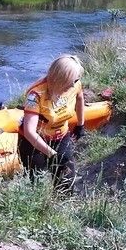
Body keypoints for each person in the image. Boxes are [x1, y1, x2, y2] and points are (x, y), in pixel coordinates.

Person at [18, 54, 86, 191]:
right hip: (33, 142)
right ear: (59, 79)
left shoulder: (75, 84)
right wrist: (51, 154)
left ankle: (63, 204)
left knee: (66, 177)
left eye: (76, 80)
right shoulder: (35, 95)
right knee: (36, 180)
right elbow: (29, 132)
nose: (74, 84)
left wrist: (80, 125)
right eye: (71, 81)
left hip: (60, 136)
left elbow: (80, 99)